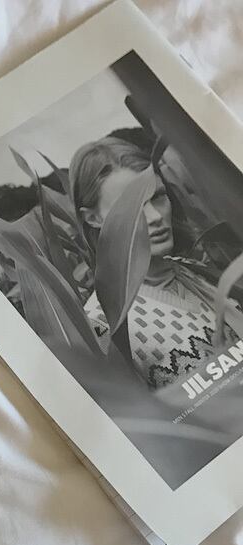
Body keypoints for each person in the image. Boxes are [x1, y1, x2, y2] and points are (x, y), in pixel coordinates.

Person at [69, 136, 243, 388]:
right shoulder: (102, 325)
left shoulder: (200, 272)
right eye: (132, 206)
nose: (154, 216)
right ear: (93, 219)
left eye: (158, 196)